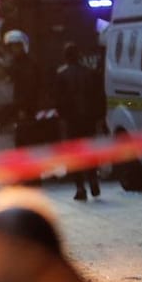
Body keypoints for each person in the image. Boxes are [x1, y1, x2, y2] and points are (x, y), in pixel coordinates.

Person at [54, 41, 106, 200]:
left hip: (71, 121)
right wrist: (100, 116)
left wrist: (63, 116)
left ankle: (80, 187)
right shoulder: (90, 73)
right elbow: (100, 96)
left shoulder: (61, 75)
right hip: (88, 119)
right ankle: (93, 179)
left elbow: (58, 100)